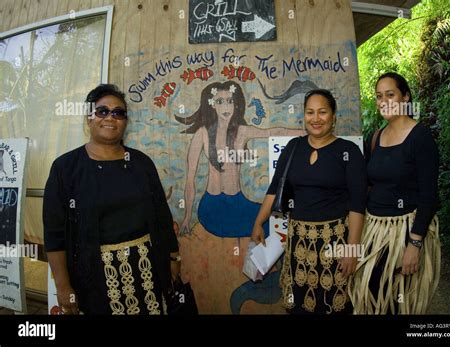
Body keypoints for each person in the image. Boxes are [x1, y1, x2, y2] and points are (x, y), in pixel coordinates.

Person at [43, 84, 180, 315]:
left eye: (118, 112)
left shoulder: (142, 163)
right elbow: (54, 234)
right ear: (89, 119)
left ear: (125, 121)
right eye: (102, 111)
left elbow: (162, 216)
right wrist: (63, 285)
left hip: (147, 270)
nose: (110, 117)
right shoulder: (65, 168)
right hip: (94, 277)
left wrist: (174, 257)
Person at [251, 89, 367, 314]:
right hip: (299, 246)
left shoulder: (348, 152)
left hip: (336, 244)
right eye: (310, 112)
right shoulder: (294, 148)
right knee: (300, 306)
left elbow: (357, 204)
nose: (316, 119)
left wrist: (352, 249)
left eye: (322, 112)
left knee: (335, 304)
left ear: (334, 117)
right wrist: (258, 222)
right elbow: (275, 189)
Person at [348, 72, 441, 314]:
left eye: (390, 94)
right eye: (379, 96)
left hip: (404, 233)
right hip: (375, 232)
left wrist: (415, 244)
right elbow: (366, 184)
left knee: (397, 301)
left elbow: (429, 195)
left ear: (405, 97)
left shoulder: (420, 137)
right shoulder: (376, 137)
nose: (383, 101)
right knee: (369, 292)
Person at [176, 81, 303, 237]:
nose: (225, 107)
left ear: (235, 104)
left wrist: (307, 132)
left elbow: (274, 131)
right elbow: (190, 180)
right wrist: (187, 218)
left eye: (230, 101)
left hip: (238, 204)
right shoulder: (202, 133)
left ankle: (259, 259)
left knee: (279, 223)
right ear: (212, 105)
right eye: (219, 101)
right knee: (274, 226)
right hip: (211, 209)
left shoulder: (242, 131)